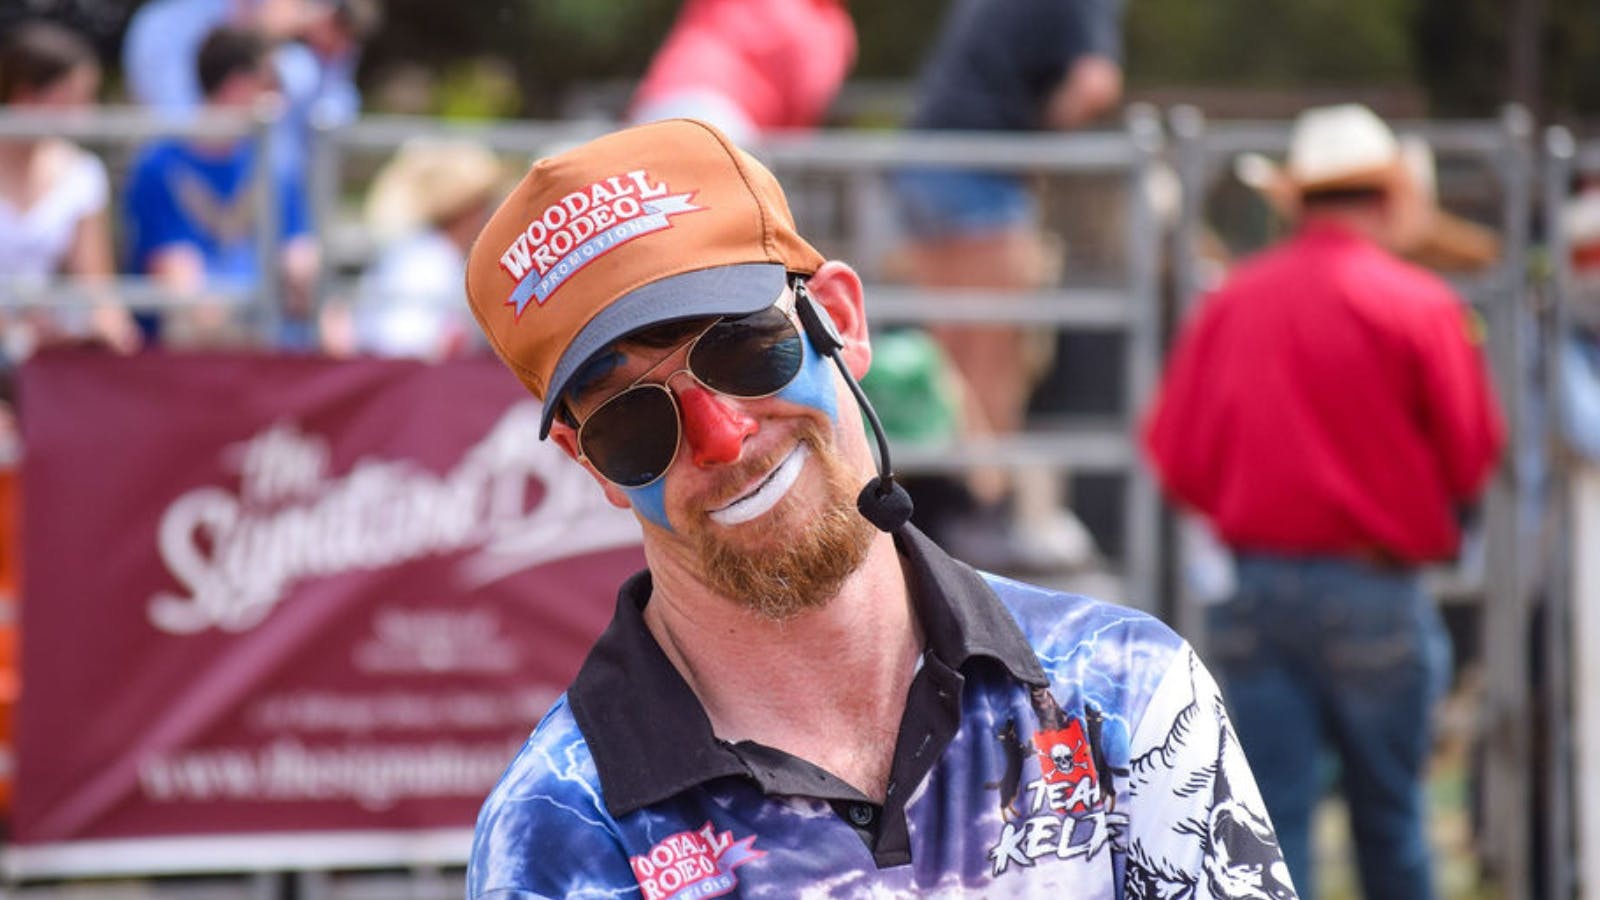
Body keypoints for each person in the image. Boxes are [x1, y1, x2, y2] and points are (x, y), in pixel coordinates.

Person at [460, 117, 1295, 898]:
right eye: (632, 423)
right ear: (594, 467)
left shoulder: (1125, 690)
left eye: (744, 347)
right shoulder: (558, 834)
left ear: (842, 320)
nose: (721, 436)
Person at [1142, 103, 1506, 900]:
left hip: (1257, 587)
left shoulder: (1235, 302)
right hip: (1377, 588)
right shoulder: (1421, 305)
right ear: (1388, 195)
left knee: (1269, 829)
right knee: (1395, 822)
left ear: (1298, 200)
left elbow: (1176, 455)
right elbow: (1473, 454)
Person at [886, 0, 1126, 574]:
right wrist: (1042, 135)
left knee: (950, 360)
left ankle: (945, 525)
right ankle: (984, 523)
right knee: (996, 360)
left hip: (926, 162)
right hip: (982, 171)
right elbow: (1094, 84)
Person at [122, 24, 317, 347]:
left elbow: (299, 257)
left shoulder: (278, 165)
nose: (281, 101)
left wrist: (316, 297)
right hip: (190, 351)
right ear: (236, 85)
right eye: (271, 84)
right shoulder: (158, 166)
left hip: (268, 339)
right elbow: (178, 281)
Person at [0, 19, 140, 355]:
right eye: (75, 98)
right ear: (26, 96)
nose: (87, 114)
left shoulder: (81, 174)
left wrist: (107, 325)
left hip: (43, 348)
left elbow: (96, 285)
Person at [321, 138, 503, 359]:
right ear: (470, 212)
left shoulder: (425, 253)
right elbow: (407, 345)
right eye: (486, 206)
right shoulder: (429, 263)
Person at [625, 0, 855, 146]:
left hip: (659, 104)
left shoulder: (822, 24)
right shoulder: (823, 27)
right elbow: (803, 101)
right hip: (722, 125)